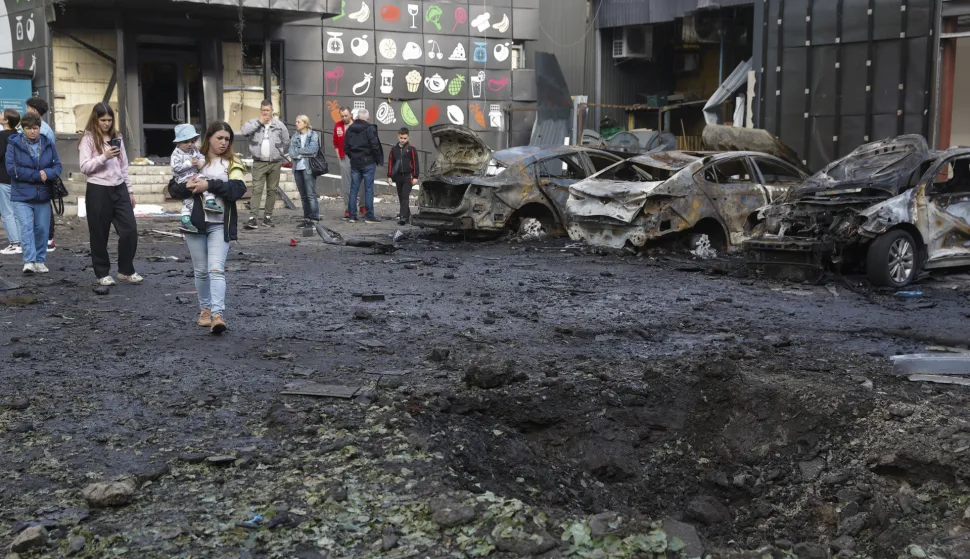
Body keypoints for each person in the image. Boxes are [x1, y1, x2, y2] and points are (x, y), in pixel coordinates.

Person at [167, 122, 247, 335]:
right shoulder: (192, 158)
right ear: (209, 137)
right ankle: (205, 311)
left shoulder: (232, 162)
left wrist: (209, 185)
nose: (223, 142)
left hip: (221, 223)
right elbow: (173, 187)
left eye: (227, 139)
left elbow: (238, 189)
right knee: (201, 271)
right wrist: (189, 187)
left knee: (216, 269)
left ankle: (218, 314)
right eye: (219, 138)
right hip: (195, 224)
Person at [79, 102, 142, 286]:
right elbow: (84, 167)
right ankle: (102, 272)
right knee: (99, 233)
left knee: (130, 229)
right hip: (98, 189)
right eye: (103, 120)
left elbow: (123, 165)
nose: (106, 123)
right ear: (95, 119)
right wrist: (104, 156)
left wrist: (129, 190)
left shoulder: (117, 137)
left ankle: (125, 269)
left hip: (119, 187)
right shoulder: (88, 139)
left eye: (109, 120)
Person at [7, 112, 60, 274]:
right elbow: (12, 169)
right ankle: (29, 261)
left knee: (42, 229)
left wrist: (49, 173)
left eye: (35, 128)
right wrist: (38, 175)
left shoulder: (48, 143)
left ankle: (40, 260)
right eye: (28, 128)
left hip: (43, 194)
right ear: (22, 128)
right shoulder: (14, 144)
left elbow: (57, 166)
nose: (32, 131)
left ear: (39, 128)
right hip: (21, 195)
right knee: (26, 228)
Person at [241, 99, 289, 229]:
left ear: (272, 110)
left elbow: (286, 140)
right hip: (259, 162)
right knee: (257, 189)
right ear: (260, 110)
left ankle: (267, 217)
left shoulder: (279, 125)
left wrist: (280, 154)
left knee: (272, 190)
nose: (266, 113)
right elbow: (244, 131)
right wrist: (259, 122)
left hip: (275, 163)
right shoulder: (253, 122)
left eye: (268, 110)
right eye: (263, 110)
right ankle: (252, 218)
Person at [171, 124, 222, 233]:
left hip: (193, 174)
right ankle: (207, 203)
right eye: (186, 142)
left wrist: (200, 163)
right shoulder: (175, 155)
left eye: (192, 141)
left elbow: (201, 157)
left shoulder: (193, 150)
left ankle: (207, 203)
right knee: (195, 189)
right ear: (178, 143)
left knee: (193, 195)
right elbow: (176, 168)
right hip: (182, 178)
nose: (190, 144)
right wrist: (189, 163)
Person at [25, 96, 56, 252]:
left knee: (43, 204)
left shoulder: (41, 130)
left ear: (35, 111)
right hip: (41, 172)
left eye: (28, 108)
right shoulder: (43, 127)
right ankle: (46, 238)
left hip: (40, 173)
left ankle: (48, 238)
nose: (26, 111)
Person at [344, 108, 383, 224]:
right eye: (368, 116)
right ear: (365, 117)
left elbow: (346, 147)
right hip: (368, 162)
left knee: (353, 189)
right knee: (368, 189)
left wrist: (353, 156)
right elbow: (374, 145)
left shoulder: (350, 129)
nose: (369, 117)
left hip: (355, 162)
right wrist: (376, 159)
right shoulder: (370, 128)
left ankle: (352, 215)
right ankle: (369, 215)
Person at [288, 114, 321, 226]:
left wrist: (299, 152)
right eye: (296, 122)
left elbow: (313, 150)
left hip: (308, 168)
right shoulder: (295, 136)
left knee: (311, 194)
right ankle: (307, 218)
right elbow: (291, 152)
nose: (296, 124)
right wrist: (302, 154)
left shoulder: (313, 135)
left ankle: (314, 218)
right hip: (297, 168)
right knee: (303, 196)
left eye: (298, 122)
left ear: (305, 123)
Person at [387, 127, 420, 226]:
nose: (403, 140)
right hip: (398, 177)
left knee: (405, 196)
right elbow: (390, 163)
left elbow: (415, 163)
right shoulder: (394, 149)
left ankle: (403, 217)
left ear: (408, 137)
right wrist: (389, 176)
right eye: (401, 138)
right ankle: (407, 214)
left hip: (408, 176)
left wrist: (415, 176)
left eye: (405, 138)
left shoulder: (411, 149)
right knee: (401, 196)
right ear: (398, 136)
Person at [334, 106, 362, 219]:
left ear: (351, 114)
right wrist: (340, 159)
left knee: (360, 183)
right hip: (344, 157)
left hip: (357, 157)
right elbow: (335, 143)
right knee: (346, 184)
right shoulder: (338, 126)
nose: (344, 118)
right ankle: (348, 208)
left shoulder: (357, 125)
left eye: (346, 115)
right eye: (342, 116)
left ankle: (362, 206)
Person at [0, 109, 22, 255]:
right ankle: (20, 242)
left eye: (2, 114)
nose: (0, 116)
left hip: (3, 177)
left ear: (6, 120)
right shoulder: (19, 136)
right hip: (18, 178)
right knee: (16, 212)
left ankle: (14, 243)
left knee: (7, 212)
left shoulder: (1, 136)